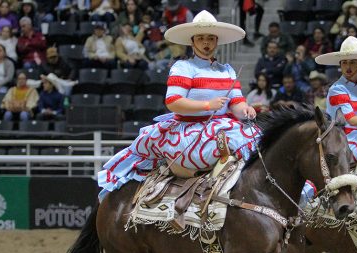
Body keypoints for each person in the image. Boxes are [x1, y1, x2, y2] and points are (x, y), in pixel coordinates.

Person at [98, 11, 258, 199]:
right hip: (191, 128)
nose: (206, 43)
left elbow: (236, 102)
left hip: (222, 125)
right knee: (241, 141)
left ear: (216, 41)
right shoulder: (184, 68)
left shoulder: (227, 71)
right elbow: (173, 102)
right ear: (192, 42)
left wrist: (246, 110)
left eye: (210, 38)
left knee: (257, 138)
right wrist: (207, 105)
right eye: (201, 38)